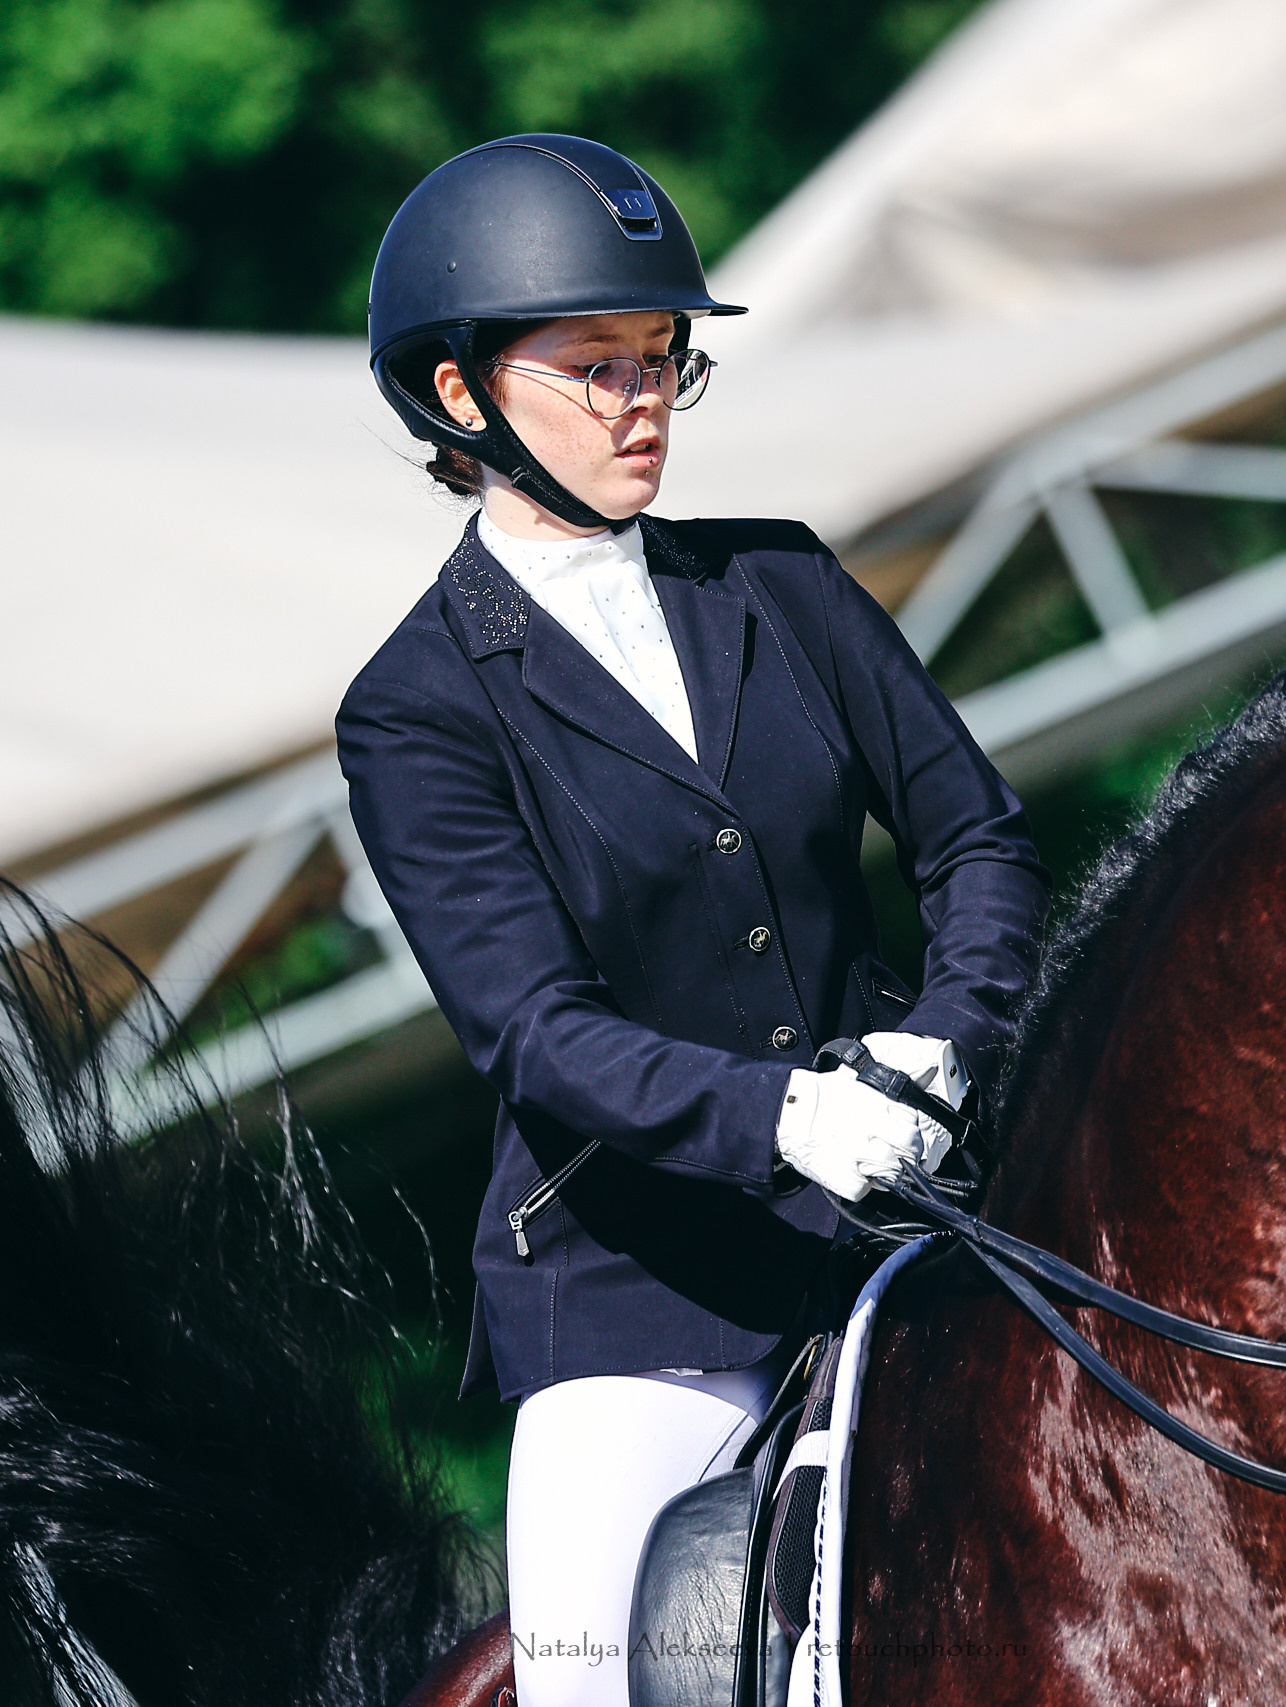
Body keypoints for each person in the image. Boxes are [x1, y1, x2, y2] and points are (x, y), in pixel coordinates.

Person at [333, 134, 1045, 1707]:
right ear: (460, 394)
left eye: (662, 360)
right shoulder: (417, 710)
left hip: (922, 1192)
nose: (643, 400)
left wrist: (947, 1042)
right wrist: (784, 1116)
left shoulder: (780, 584)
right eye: (598, 367)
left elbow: (976, 838)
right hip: (646, 1292)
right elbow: (535, 1033)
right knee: (592, 1680)